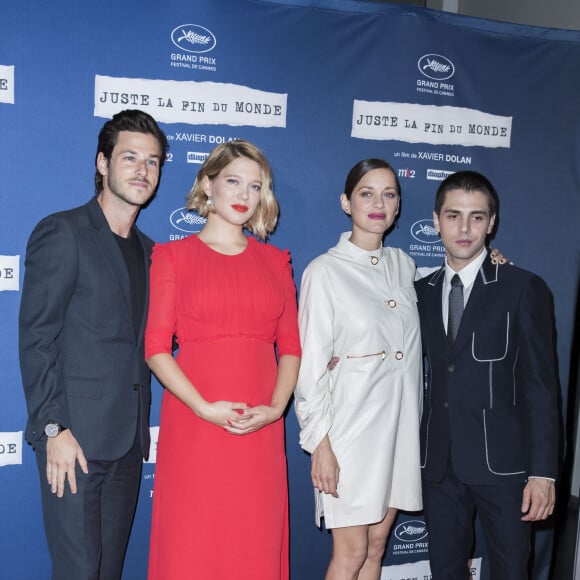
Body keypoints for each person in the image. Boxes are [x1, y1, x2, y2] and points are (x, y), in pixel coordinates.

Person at [18, 109, 169, 579]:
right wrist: (51, 429)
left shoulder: (153, 253)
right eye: (130, 157)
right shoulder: (63, 232)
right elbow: (37, 336)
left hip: (126, 446)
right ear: (102, 163)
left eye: (152, 161)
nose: (142, 170)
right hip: (72, 443)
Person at [145, 139, 301, 580]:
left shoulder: (276, 262)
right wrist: (203, 408)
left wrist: (276, 409)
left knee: (253, 543)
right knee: (193, 544)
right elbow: (156, 347)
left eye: (255, 186)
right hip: (196, 424)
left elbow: (290, 346)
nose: (243, 195)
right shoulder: (172, 257)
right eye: (233, 181)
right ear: (207, 185)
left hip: (261, 428)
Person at [415, 170, 559, 580]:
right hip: (438, 464)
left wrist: (543, 473)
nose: (464, 228)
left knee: (512, 572)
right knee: (445, 571)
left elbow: (541, 389)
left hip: (506, 467)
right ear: (436, 219)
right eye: (453, 215)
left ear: (491, 222)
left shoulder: (522, 287)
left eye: (476, 217)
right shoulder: (421, 291)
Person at [294, 158, 423, 579]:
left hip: (398, 430)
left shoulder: (404, 266)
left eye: (389, 194)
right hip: (348, 434)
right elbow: (310, 369)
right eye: (367, 193)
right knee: (349, 554)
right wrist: (321, 445)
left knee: (376, 548)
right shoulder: (324, 272)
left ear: (399, 205)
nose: (379, 203)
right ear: (346, 203)